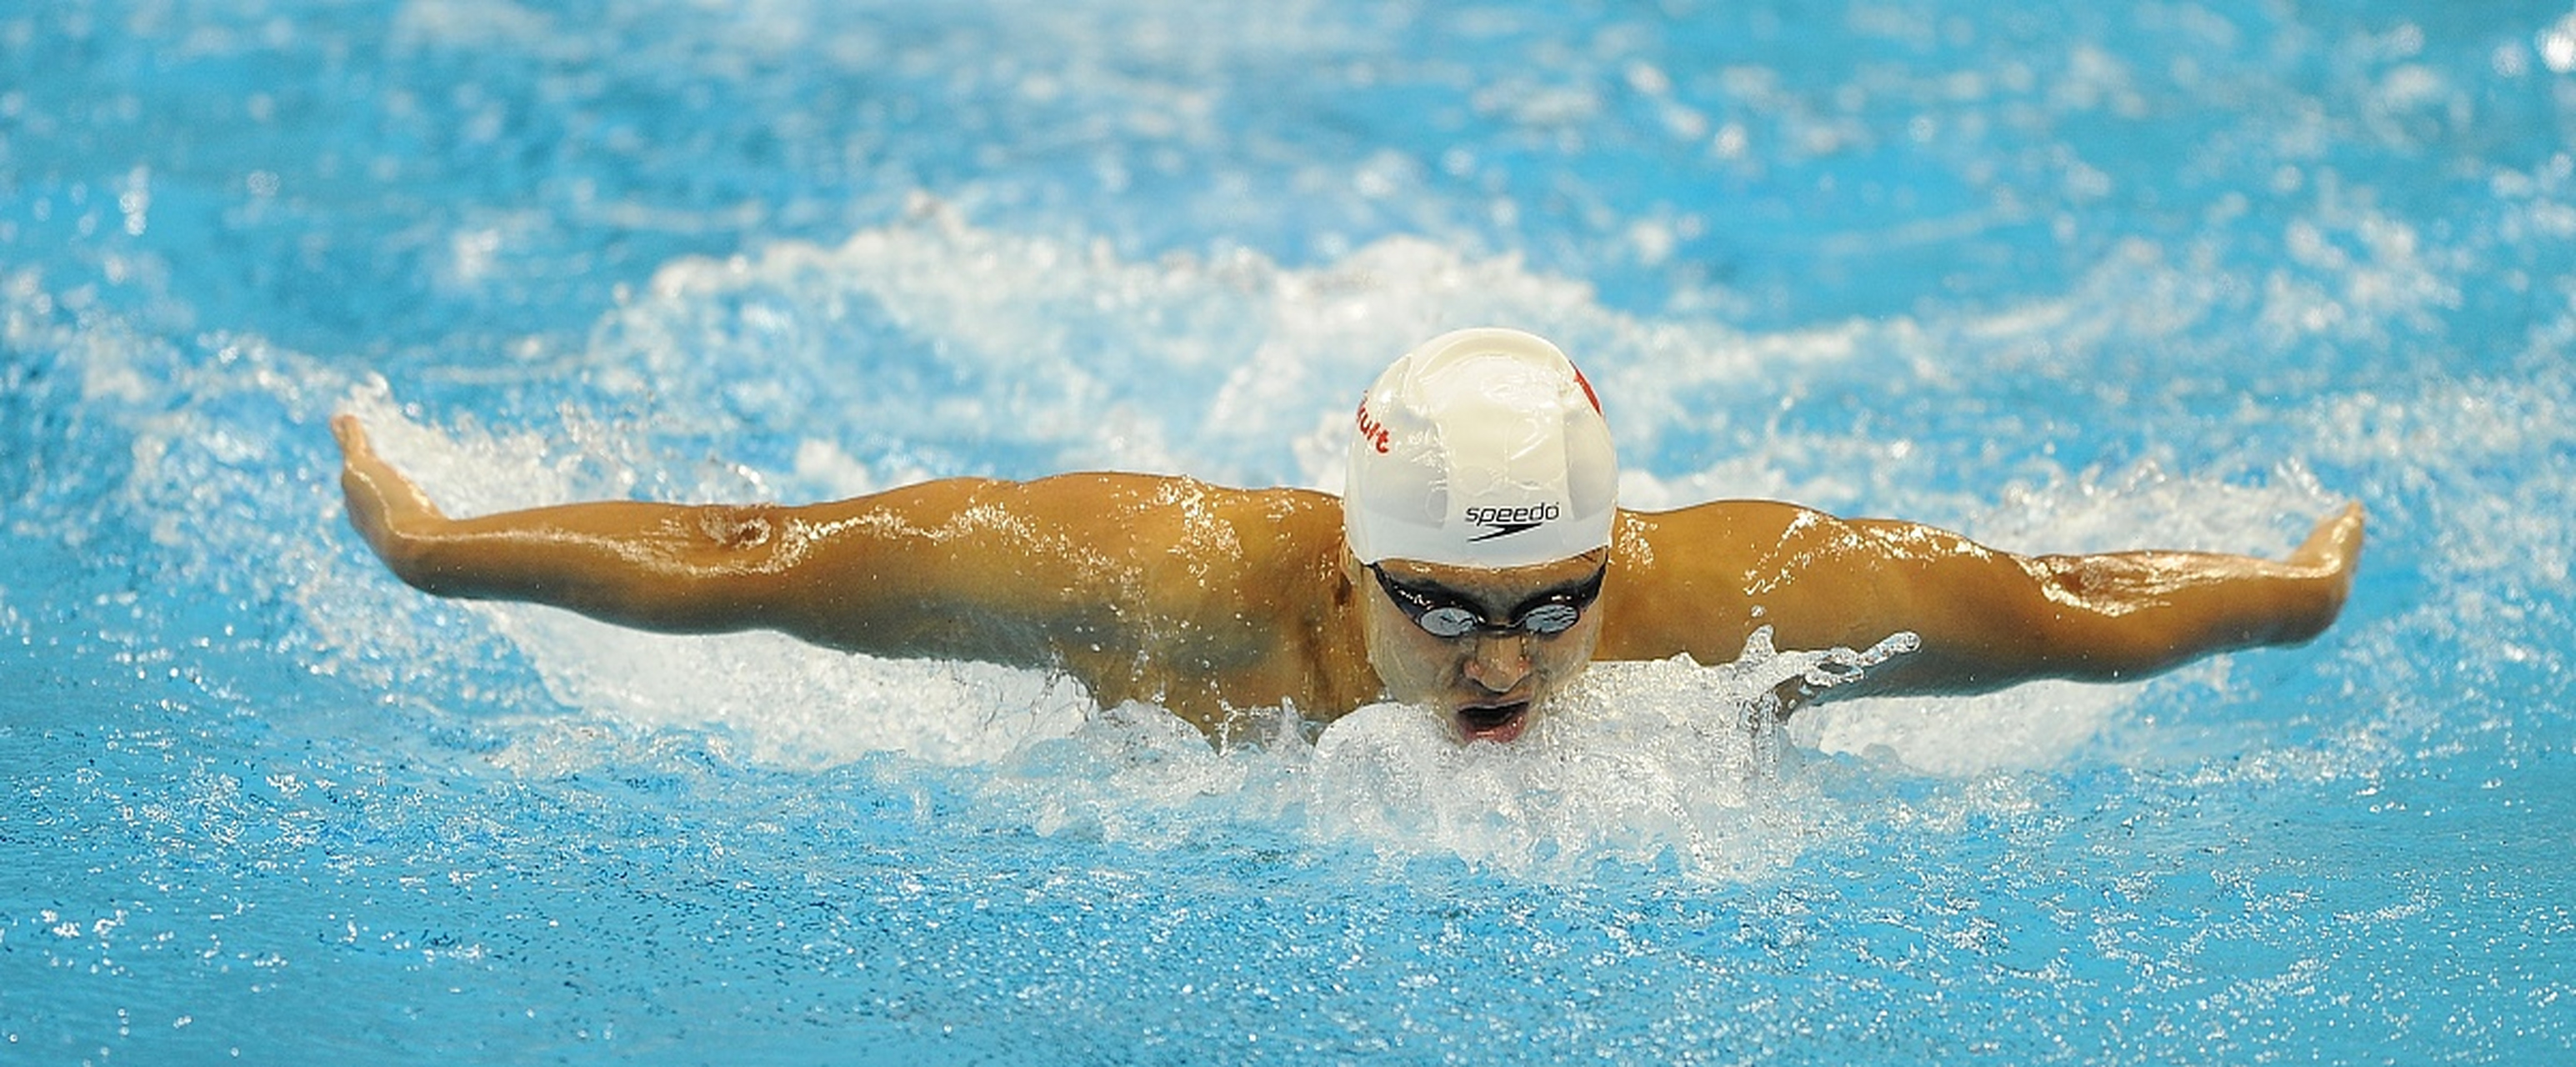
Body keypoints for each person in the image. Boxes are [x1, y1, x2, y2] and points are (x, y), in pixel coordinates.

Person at [333, 328, 2363, 744]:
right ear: (1350, 559)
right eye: (1450, 608)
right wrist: (452, 546)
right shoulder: (1165, 579)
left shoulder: (1707, 603)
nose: (1506, 659)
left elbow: (2042, 596)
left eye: (1553, 603)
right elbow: (759, 549)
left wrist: (2276, 596)